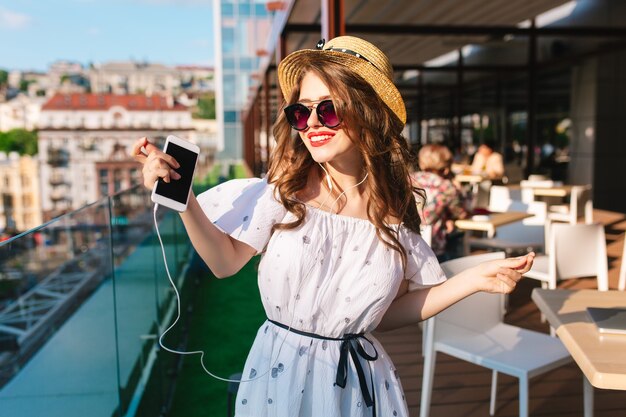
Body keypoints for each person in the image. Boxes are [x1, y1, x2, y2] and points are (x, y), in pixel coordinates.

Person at [131, 36, 534, 417]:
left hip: (362, 388)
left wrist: (472, 281)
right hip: (280, 378)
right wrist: (183, 201)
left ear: (369, 112)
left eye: (328, 109)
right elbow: (224, 262)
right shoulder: (284, 193)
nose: (312, 123)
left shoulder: (396, 208)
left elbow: (386, 314)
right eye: (301, 111)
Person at [411, 144, 470, 261]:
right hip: (432, 246)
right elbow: (461, 213)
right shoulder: (445, 186)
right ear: (446, 168)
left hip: (408, 240)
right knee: (457, 236)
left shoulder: (409, 179)